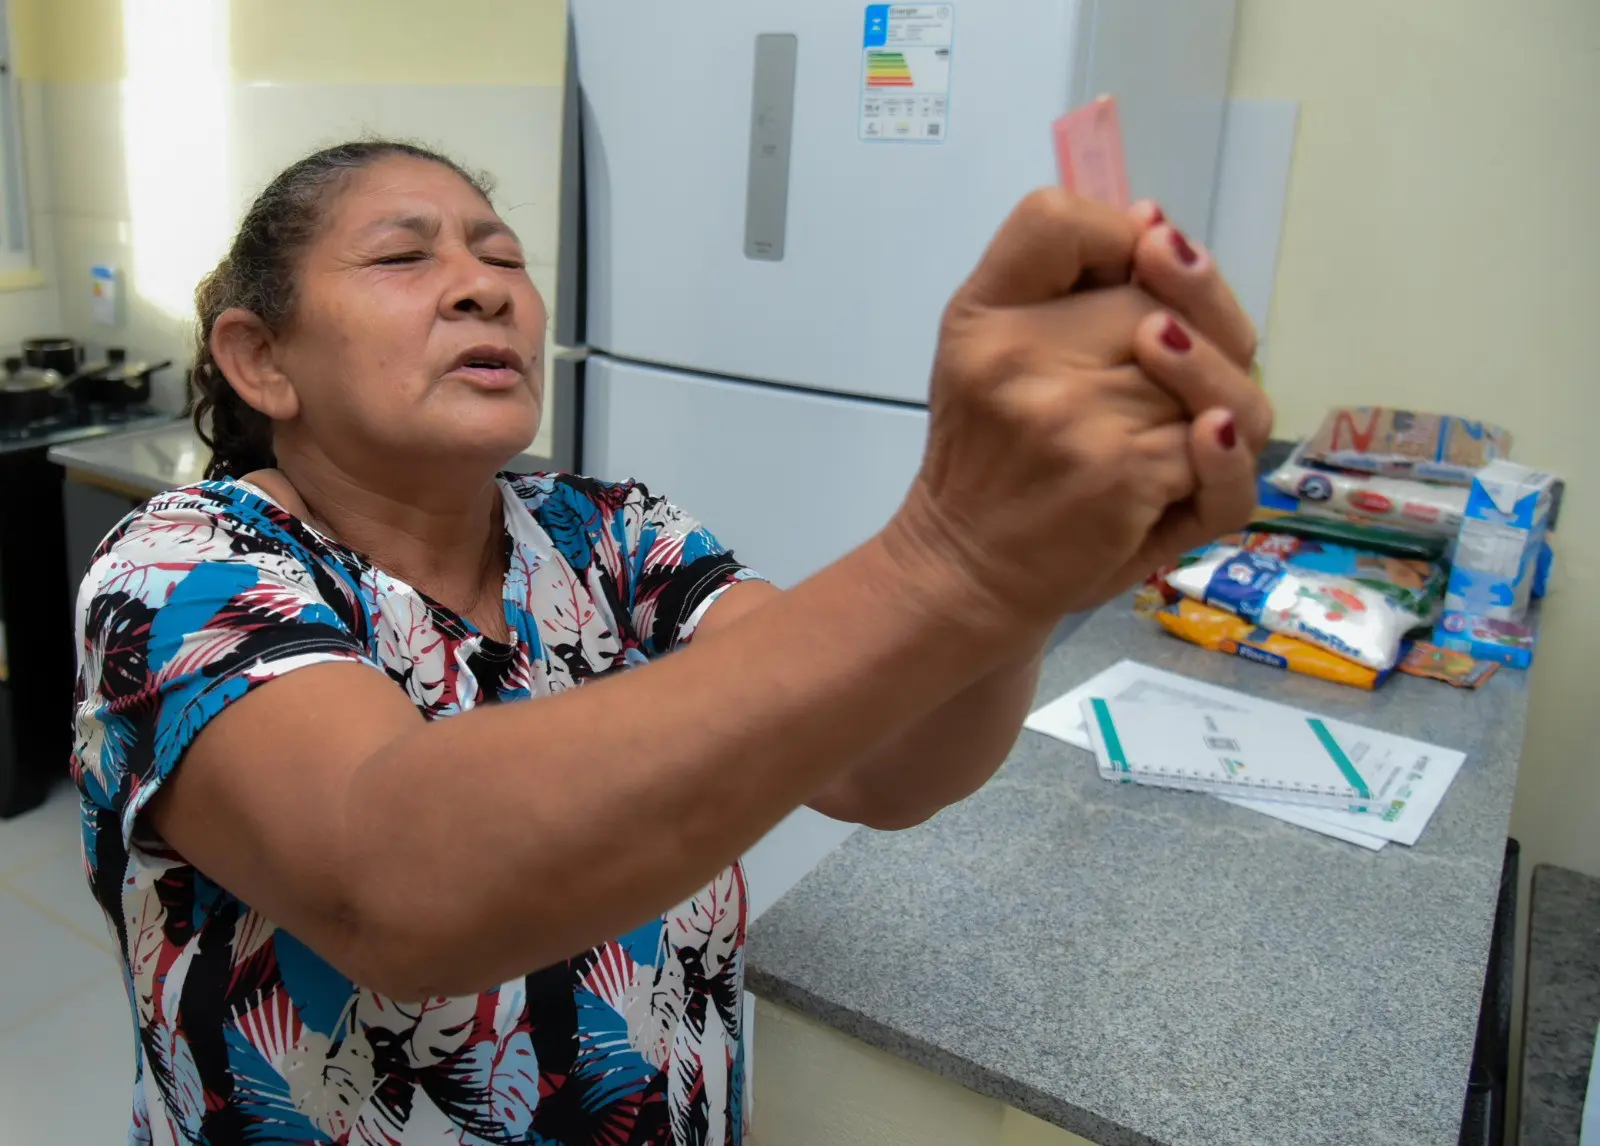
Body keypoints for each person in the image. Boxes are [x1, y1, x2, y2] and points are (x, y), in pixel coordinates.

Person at [71, 139, 1270, 1144]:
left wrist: (1018, 595)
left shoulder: (616, 534)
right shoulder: (181, 570)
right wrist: (953, 560)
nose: (484, 286)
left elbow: (882, 766)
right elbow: (393, 888)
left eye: (503, 258)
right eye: (403, 254)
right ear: (260, 358)